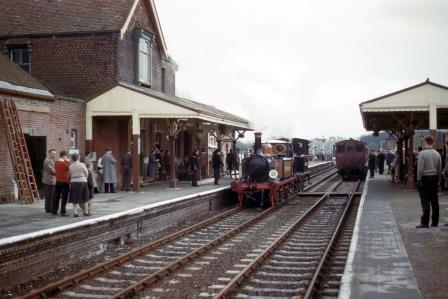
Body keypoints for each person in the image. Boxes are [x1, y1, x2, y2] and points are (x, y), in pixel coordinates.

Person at [416, 136, 442, 228]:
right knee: (435, 201)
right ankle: (435, 222)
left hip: (425, 178)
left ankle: (425, 222)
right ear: (433, 143)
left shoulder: (422, 154)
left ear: (425, 142)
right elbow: (439, 169)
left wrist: (418, 179)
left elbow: (420, 169)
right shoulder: (437, 154)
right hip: (435, 178)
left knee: (425, 201)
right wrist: (439, 182)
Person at [52, 151, 70, 216]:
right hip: (65, 182)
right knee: (64, 197)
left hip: (58, 181)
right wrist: (67, 161)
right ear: (64, 156)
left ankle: (54, 210)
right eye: (66, 156)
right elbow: (69, 168)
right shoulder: (65, 163)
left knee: (56, 196)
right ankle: (63, 211)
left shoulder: (56, 162)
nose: (67, 157)